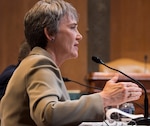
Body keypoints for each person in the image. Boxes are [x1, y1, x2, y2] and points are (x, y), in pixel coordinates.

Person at [0, 0, 142, 126]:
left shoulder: (36, 61)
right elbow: (47, 115)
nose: (79, 36)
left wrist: (105, 102)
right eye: (73, 27)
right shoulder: (40, 62)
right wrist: (104, 98)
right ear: (50, 33)